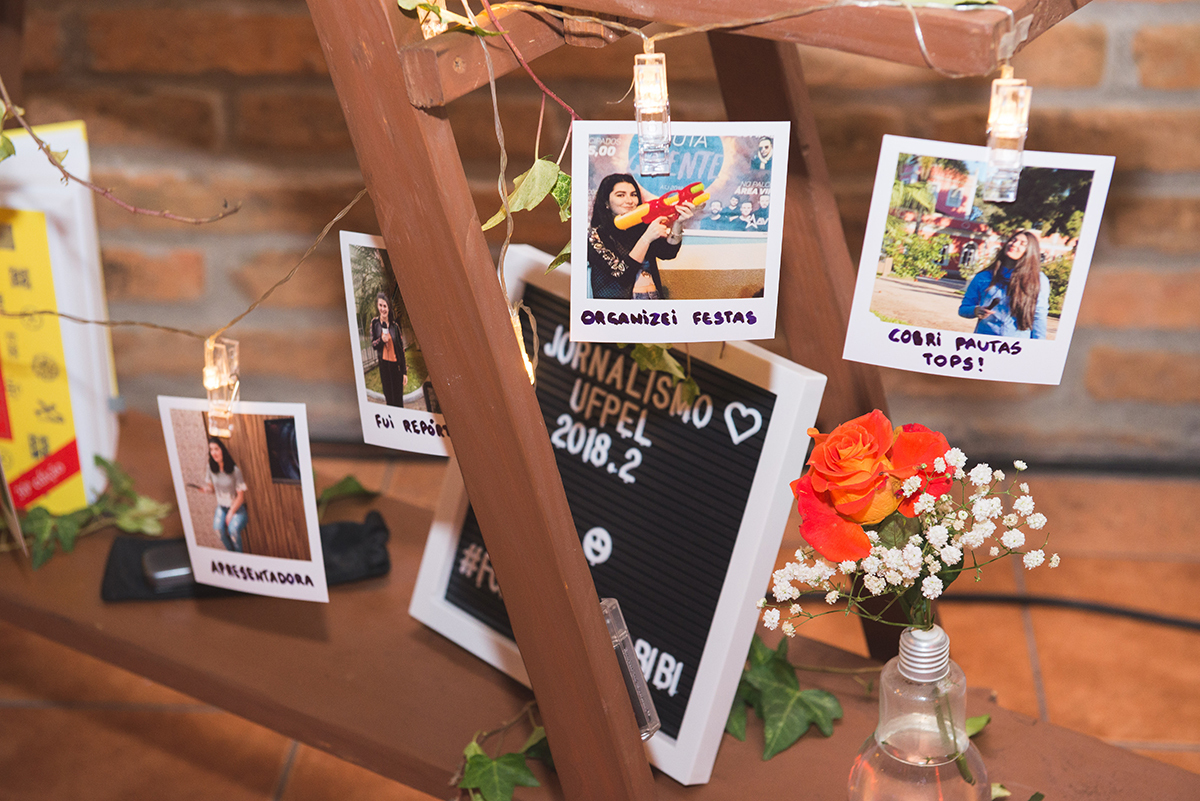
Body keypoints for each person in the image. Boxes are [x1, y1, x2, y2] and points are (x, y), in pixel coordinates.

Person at [587, 173, 694, 299]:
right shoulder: (596, 235)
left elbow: (668, 253)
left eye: (634, 194)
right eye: (620, 195)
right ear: (606, 202)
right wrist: (646, 238)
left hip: (652, 300)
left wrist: (678, 223)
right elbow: (621, 274)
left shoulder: (641, 227)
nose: (629, 201)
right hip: (617, 312)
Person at [957, 230, 1049, 338]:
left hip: (1017, 345)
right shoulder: (983, 277)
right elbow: (963, 309)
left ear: (1030, 251)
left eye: (1022, 244)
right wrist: (975, 310)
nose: (1014, 244)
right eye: (1013, 240)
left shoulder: (1038, 279)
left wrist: (1038, 347)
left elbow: (1039, 316)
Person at [201, 437, 247, 553]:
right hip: (221, 507)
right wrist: (207, 490)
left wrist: (231, 512)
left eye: (216, 449)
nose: (214, 453)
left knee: (233, 531)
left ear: (222, 450)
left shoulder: (234, 470)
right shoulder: (211, 468)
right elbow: (212, 489)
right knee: (217, 530)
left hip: (237, 509)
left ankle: (240, 558)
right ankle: (231, 556)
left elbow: (241, 497)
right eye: (211, 450)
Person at [370, 292, 407, 406]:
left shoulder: (395, 327)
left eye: (385, 306)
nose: (382, 309)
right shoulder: (375, 324)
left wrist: (404, 372)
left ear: (389, 308)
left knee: (398, 400)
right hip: (384, 367)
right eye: (380, 305)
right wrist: (381, 340)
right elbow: (374, 345)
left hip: (396, 367)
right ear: (377, 306)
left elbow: (401, 350)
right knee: (389, 400)